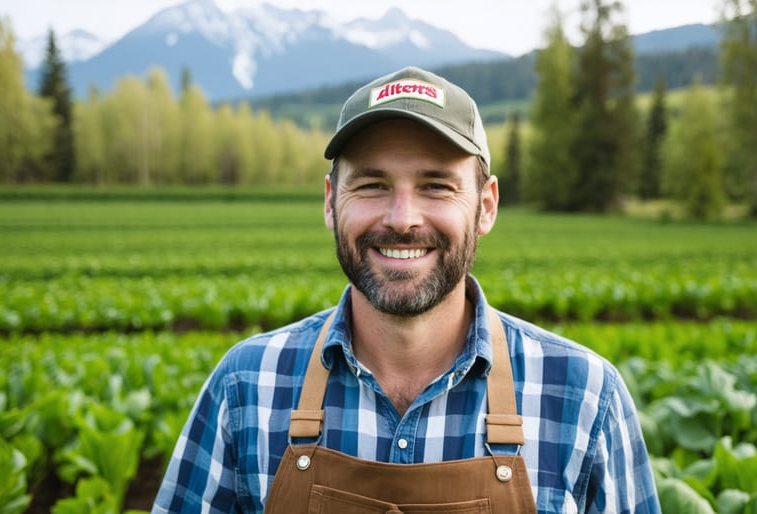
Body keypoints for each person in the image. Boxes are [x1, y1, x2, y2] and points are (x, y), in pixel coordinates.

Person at [152, 66, 660, 514]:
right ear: (331, 202)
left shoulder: (585, 397)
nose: (402, 220)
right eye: (372, 185)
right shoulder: (245, 387)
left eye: (436, 186)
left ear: (486, 206)